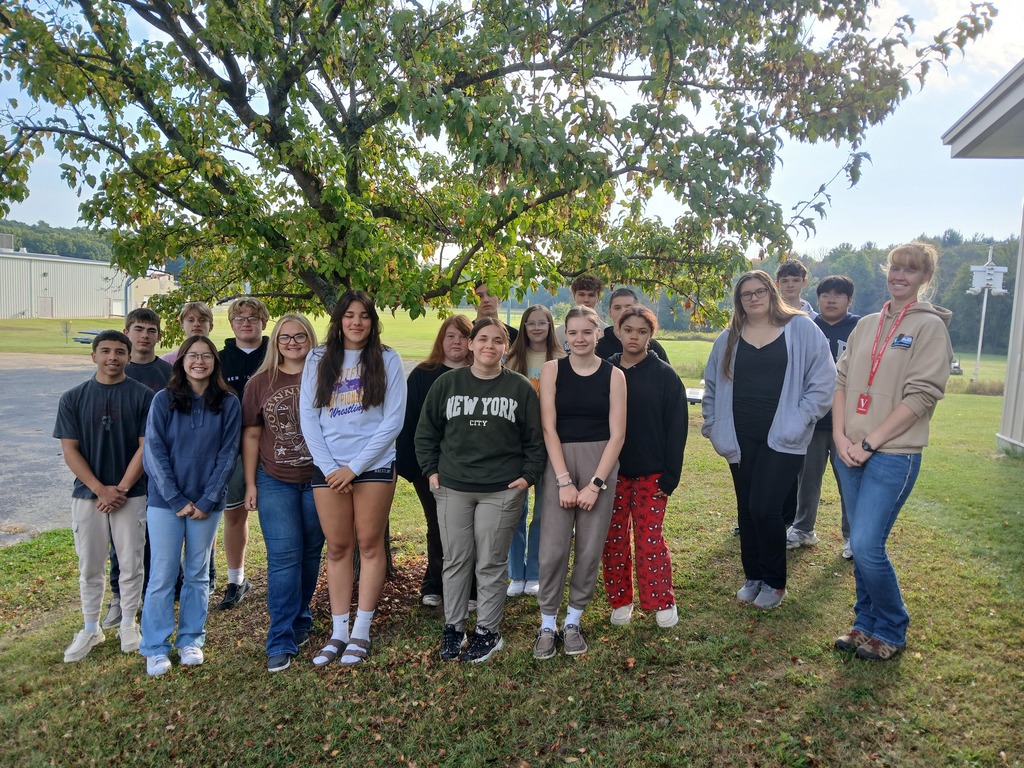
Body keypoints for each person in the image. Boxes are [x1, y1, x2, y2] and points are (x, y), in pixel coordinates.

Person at [832, 243, 952, 661]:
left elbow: (921, 397)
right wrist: (842, 438)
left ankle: (892, 627)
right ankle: (865, 624)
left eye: (911, 270)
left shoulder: (929, 327)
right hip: (849, 451)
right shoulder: (866, 324)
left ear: (924, 278)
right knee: (862, 542)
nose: (900, 275)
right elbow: (841, 382)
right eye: (896, 268)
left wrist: (869, 442)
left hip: (893, 453)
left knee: (866, 544)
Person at [415, 317, 546, 662]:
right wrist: (431, 471)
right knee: (456, 559)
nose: (490, 345)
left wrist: (527, 477)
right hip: (453, 487)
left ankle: (488, 631)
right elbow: (426, 431)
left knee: (490, 562)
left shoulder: (519, 388)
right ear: (471, 345)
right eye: (483, 339)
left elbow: (535, 440)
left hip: (501, 490)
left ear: (506, 348)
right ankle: (454, 628)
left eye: (497, 340)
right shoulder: (448, 383)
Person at [701, 271, 834, 610]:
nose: (754, 298)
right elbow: (712, 388)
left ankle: (774, 582)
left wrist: (802, 418)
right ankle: (754, 576)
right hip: (740, 436)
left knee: (765, 506)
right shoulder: (728, 338)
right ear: (739, 300)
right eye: (746, 294)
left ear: (772, 292)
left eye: (760, 291)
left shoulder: (801, 329)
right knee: (747, 508)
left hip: (784, 437)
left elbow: (823, 381)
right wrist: (714, 427)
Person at [300, 290, 407, 667]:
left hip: (373, 466)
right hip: (328, 468)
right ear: (338, 320)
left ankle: (361, 630)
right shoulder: (317, 358)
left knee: (370, 544)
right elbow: (308, 417)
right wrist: (331, 467)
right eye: (349, 315)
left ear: (372, 321)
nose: (356, 322)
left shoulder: (387, 359)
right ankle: (338, 632)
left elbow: (392, 421)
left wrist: (354, 468)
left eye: (363, 315)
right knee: (339, 547)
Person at [140, 336, 241, 676]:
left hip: (207, 504)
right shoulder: (163, 400)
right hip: (166, 504)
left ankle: (190, 640)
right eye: (192, 356)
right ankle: (155, 647)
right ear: (181, 361)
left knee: (197, 575)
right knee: (163, 574)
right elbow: (153, 452)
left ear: (215, 361)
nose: (199, 361)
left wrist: (207, 499)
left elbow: (228, 455)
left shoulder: (228, 403)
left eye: (206, 356)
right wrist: (176, 499)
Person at [53, 331, 154, 662]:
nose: (113, 357)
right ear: (93, 356)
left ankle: (128, 622)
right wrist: (100, 489)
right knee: (90, 565)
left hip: (131, 494)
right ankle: (90, 627)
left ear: (128, 357)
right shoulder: (73, 398)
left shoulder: (143, 396)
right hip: (88, 496)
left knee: (131, 562)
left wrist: (121, 488)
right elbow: (70, 450)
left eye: (120, 352)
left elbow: (145, 447)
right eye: (106, 351)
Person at [534, 305, 626, 659]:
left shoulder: (614, 376)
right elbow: (548, 427)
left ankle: (573, 620)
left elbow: (618, 434)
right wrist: (563, 480)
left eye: (586, 332)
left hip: (600, 462)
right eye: (572, 333)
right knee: (553, 549)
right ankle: (547, 623)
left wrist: (595, 484)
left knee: (589, 549)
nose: (579, 338)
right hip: (559, 463)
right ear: (565, 336)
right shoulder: (552, 370)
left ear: (599, 333)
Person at [242, 314, 324, 673]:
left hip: (321, 479)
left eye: (299, 335)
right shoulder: (260, 383)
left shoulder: (327, 378)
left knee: (310, 554)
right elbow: (252, 435)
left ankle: (301, 618)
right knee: (284, 558)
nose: (292, 342)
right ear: (275, 342)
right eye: (284, 337)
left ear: (310, 338)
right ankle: (279, 639)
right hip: (275, 479)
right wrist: (250, 483)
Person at [602, 306, 687, 628]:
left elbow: (677, 428)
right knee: (613, 538)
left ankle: (661, 600)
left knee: (650, 538)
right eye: (628, 330)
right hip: (613, 472)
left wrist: (671, 476)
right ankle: (621, 600)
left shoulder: (664, 375)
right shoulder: (606, 371)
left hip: (653, 474)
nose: (634, 336)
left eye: (642, 331)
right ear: (618, 332)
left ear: (650, 336)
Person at [100, 308, 171, 633]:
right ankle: (120, 598)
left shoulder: (167, 372)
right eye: (138, 329)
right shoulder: (116, 371)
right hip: (122, 467)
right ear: (127, 332)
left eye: (151, 330)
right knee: (122, 541)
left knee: (157, 539)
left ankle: (158, 594)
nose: (145, 335)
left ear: (159, 335)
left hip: (160, 468)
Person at [395, 314, 473, 607]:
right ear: (442, 339)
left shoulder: (482, 373)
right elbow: (409, 424)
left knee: (471, 528)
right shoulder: (423, 375)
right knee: (438, 525)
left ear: (472, 342)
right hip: (429, 468)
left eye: (463, 336)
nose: (457, 342)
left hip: (470, 469)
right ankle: (435, 584)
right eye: (450, 335)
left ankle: (472, 586)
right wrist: (415, 469)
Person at [786, 276, 861, 557]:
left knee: (849, 480)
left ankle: (853, 536)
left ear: (849, 300)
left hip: (848, 421)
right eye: (826, 294)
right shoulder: (806, 326)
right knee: (808, 478)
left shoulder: (859, 327)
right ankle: (804, 528)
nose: (831, 299)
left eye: (839, 295)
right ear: (817, 299)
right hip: (813, 419)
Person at [503, 305, 563, 598]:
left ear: (551, 326)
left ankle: (536, 571)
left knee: (543, 512)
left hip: (551, 444)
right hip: (516, 445)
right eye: (531, 323)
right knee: (516, 509)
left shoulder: (562, 359)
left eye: (543, 323)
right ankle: (517, 572)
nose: (537, 328)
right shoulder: (512, 359)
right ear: (524, 327)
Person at [216, 296, 270, 609]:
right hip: (235, 447)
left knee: (281, 515)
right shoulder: (221, 359)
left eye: (252, 317)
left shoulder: (277, 353)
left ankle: (285, 576)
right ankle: (236, 579)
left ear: (263, 321)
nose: (246, 322)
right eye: (239, 318)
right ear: (232, 323)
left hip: (276, 445)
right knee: (234, 513)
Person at [595, 287, 671, 362]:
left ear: (637, 309)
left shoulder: (653, 347)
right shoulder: (599, 348)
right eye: (617, 308)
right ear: (610, 312)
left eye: (628, 307)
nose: (623, 312)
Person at [555, 274, 607, 350]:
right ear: (574, 296)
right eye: (581, 295)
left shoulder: (607, 332)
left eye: (591, 295)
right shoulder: (559, 333)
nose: (586, 300)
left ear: (598, 297)